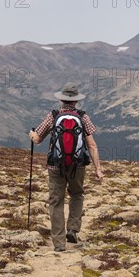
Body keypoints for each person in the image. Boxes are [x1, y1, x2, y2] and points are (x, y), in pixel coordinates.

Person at [29, 82, 104, 252]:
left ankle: (59, 243)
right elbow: (91, 145)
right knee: (77, 194)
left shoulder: (53, 115)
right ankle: (72, 229)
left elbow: (38, 139)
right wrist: (98, 169)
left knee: (56, 201)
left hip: (55, 166)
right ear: (76, 101)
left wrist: (32, 134)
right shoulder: (83, 117)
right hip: (78, 165)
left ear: (62, 100)